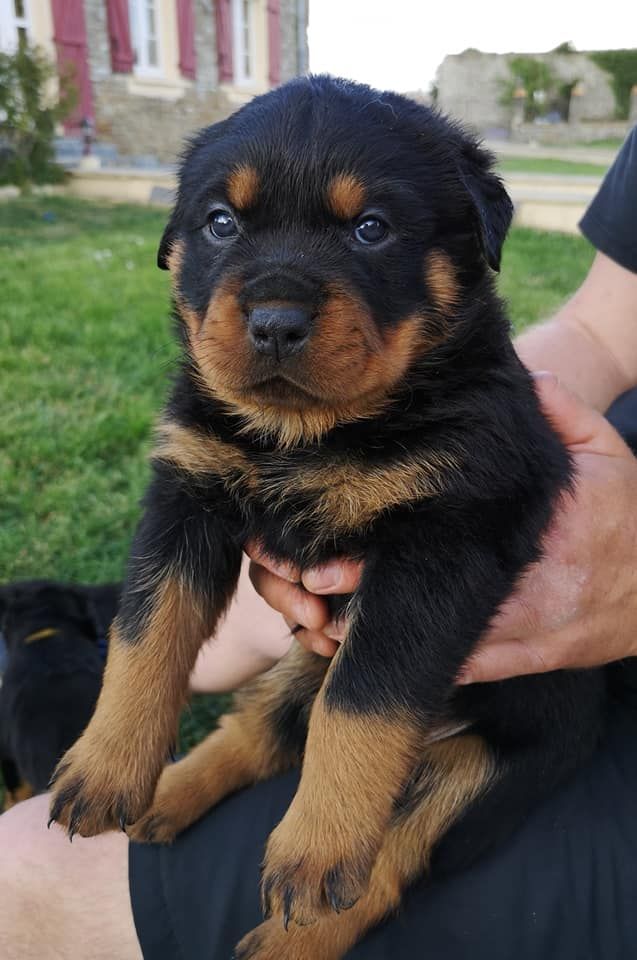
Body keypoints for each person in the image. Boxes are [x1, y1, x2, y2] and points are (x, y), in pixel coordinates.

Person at [2, 127, 637, 960]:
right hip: (349, 656)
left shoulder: (452, 425)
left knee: (473, 778)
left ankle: (361, 893)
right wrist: (127, 725)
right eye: (223, 224)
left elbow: (424, 587)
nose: (275, 309)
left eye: (371, 228)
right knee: (299, 662)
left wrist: (338, 796)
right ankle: (229, 758)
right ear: (175, 247)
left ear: (468, 249)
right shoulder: (213, 409)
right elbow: (603, 330)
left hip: (528, 722)